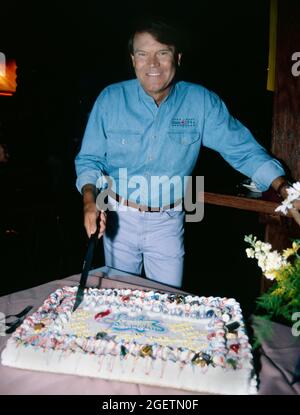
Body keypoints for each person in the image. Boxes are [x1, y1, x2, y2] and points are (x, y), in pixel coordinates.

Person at [75, 18, 300, 288]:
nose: (153, 64)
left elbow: (243, 150)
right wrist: (90, 199)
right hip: (118, 219)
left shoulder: (201, 102)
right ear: (133, 59)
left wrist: (285, 189)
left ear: (177, 57)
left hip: (168, 223)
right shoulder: (110, 99)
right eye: (143, 54)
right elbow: (89, 159)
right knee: (120, 303)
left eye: (163, 53)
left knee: (171, 305)